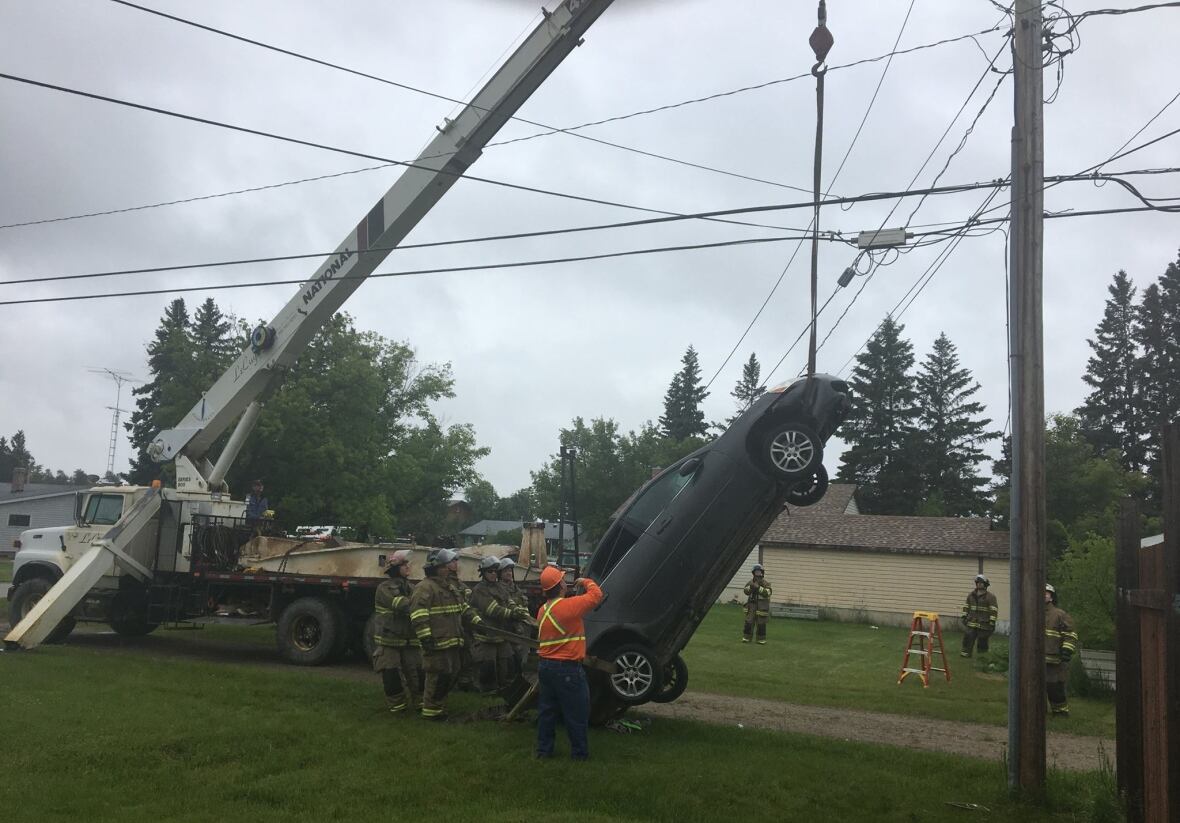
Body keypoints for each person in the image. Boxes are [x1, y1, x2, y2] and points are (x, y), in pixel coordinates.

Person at [535, 565, 603, 761]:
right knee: (577, 713)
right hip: (567, 670)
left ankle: (543, 752)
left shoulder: (542, 610)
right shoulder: (568, 606)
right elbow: (597, 596)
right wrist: (585, 581)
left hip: (545, 668)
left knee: (547, 712)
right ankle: (579, 755)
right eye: (563, 580)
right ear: (561, 585)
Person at [409, 548, 483, 721]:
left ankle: (439, 706)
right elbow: (418, 615)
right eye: (445, 566)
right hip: (436, 643)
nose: (449, 568)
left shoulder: (448, 587)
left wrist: (477, 621)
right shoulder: (424, 587)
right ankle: (431, 712)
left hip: (451, 641)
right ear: (435, 568)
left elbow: (462, 608)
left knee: (450, 674)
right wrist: (426, 638)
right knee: (436, 676)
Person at [469, 555, 530, 693]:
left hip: (502, 634)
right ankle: (488, 691)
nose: (493, 574)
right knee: (488, 665)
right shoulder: (480, 589)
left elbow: (509, 601)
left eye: (495, 571)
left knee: (508, 662)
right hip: (487, 635)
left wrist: (517, 610)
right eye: (490, 571)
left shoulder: (499, 587)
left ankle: (505, 689)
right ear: (483, 573)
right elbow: (492, 609)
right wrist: (512, 614)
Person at [371, 549, 421, 713]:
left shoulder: (412, 587)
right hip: (389, 640)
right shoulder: (384, 588)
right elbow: (401, 605)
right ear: (395, 568)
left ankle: (421, 703)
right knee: (391, 674)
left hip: (409, 639)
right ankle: (398, 707)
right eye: (404, 564)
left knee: (418, 674)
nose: (408, 567)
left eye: (408, 563)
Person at [1045, 583, 1079, 716]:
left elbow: (1071, 634)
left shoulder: (1060, 614)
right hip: (1035, 659)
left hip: (1055, 660)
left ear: (1052, 597)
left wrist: (1067, 650)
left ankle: (1061, 713)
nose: (1043, 594)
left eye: (1046, 593)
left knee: (1055, 687)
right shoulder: (1032, 613)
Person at [499, 557, 530, 678]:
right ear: (500, 573)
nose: (508, 573)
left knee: (519, 656)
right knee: (507, 658)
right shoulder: (497, 589)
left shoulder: (517, 590)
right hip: (504, 629)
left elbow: (524, 607)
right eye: (505, 571)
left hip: (518, 629)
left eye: (510, 570)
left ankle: (517, 677)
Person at [960, 574, 999, 657]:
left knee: (982, 641)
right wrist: (964, 616)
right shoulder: (971, 595)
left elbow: (993, 610)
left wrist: (992, 621)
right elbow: (966, 606)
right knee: (967, 638)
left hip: (984, 623)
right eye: (978, 582)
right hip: (971, 622)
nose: (979, 584)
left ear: (985, 585)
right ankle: (965, 654)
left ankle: (982, 656)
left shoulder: (990, 597)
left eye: (981, 583)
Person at [742, 564, 772, 644]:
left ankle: (761, 640)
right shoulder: (750, 582)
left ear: (762, 573)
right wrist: (751, 587)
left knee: (761, 623)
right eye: (756, 572)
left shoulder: (766, 583)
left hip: (762, 607)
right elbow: (745, 591)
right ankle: (746, 638)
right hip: (751, 605)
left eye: (759, 572)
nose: (758, 573)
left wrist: (758, 588)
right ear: (753, 573)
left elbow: (768, 593)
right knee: (749, 622)